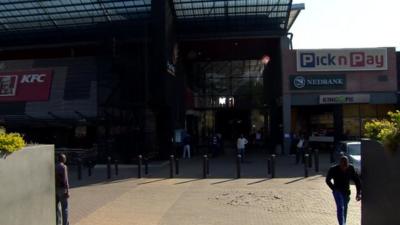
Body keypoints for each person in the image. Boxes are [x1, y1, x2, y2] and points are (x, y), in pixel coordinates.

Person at [326, 156, 361, 225]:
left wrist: (358, 193)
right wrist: (334, 189)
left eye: (346, 167)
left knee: (344, 209)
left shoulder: (350, 168)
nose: (344, 168)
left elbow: (357, 180)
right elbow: (327, 180)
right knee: (340, 208)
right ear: (340, 164)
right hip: (337, 191)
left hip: (346, 192)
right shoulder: (333, 169)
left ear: (348, 164)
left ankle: (343, 222)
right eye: (343, 167)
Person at [55, 154, 70, 225]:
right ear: (63, 159)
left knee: (57, 207)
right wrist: (67, 191)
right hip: (62, 189)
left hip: (55, 189)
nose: (66, 159)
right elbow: (65, 180)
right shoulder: (64, 167)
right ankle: (65, 223)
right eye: (65, 158)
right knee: (65, 208)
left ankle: (58, 223)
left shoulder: (55, 166)